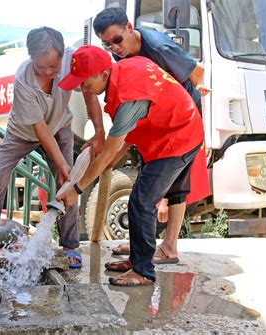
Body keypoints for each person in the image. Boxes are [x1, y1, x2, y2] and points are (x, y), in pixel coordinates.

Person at [57, 45, 204, 286]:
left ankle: (143, 271)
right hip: (166, 132)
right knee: (140, 199)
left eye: (85, 82)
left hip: (178, 138)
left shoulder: (128, 95)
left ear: (103, 74)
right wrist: (109, 156)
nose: (83, 89)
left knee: (141, 202)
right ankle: (138, 258)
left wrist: (77, 190)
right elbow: (126, 135)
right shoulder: (125, 68)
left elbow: (107, 155)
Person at [0, 27, 103, 268]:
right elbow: (39, 128)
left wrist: (99, 130)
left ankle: (70, 245)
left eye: (53, 66)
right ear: (31, 58)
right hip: (23, 132)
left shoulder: (73, 60)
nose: (48, 72)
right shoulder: (23, 80)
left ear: (62, 55)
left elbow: (90, 90)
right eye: (42, 67)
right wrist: (59, 163)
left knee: (68, 181)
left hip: (60, 126)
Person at [91, 7, 210, 264]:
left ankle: (168, 247)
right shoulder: (121, 58)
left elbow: (196, 72)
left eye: (117, 40)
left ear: (130, 27)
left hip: (179, 121)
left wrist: (194, 93)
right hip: (153, 121)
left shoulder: (158, 47)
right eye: (107, 45)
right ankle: (140, 245)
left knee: (172, 186)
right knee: (145, 179)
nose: (115, 48)